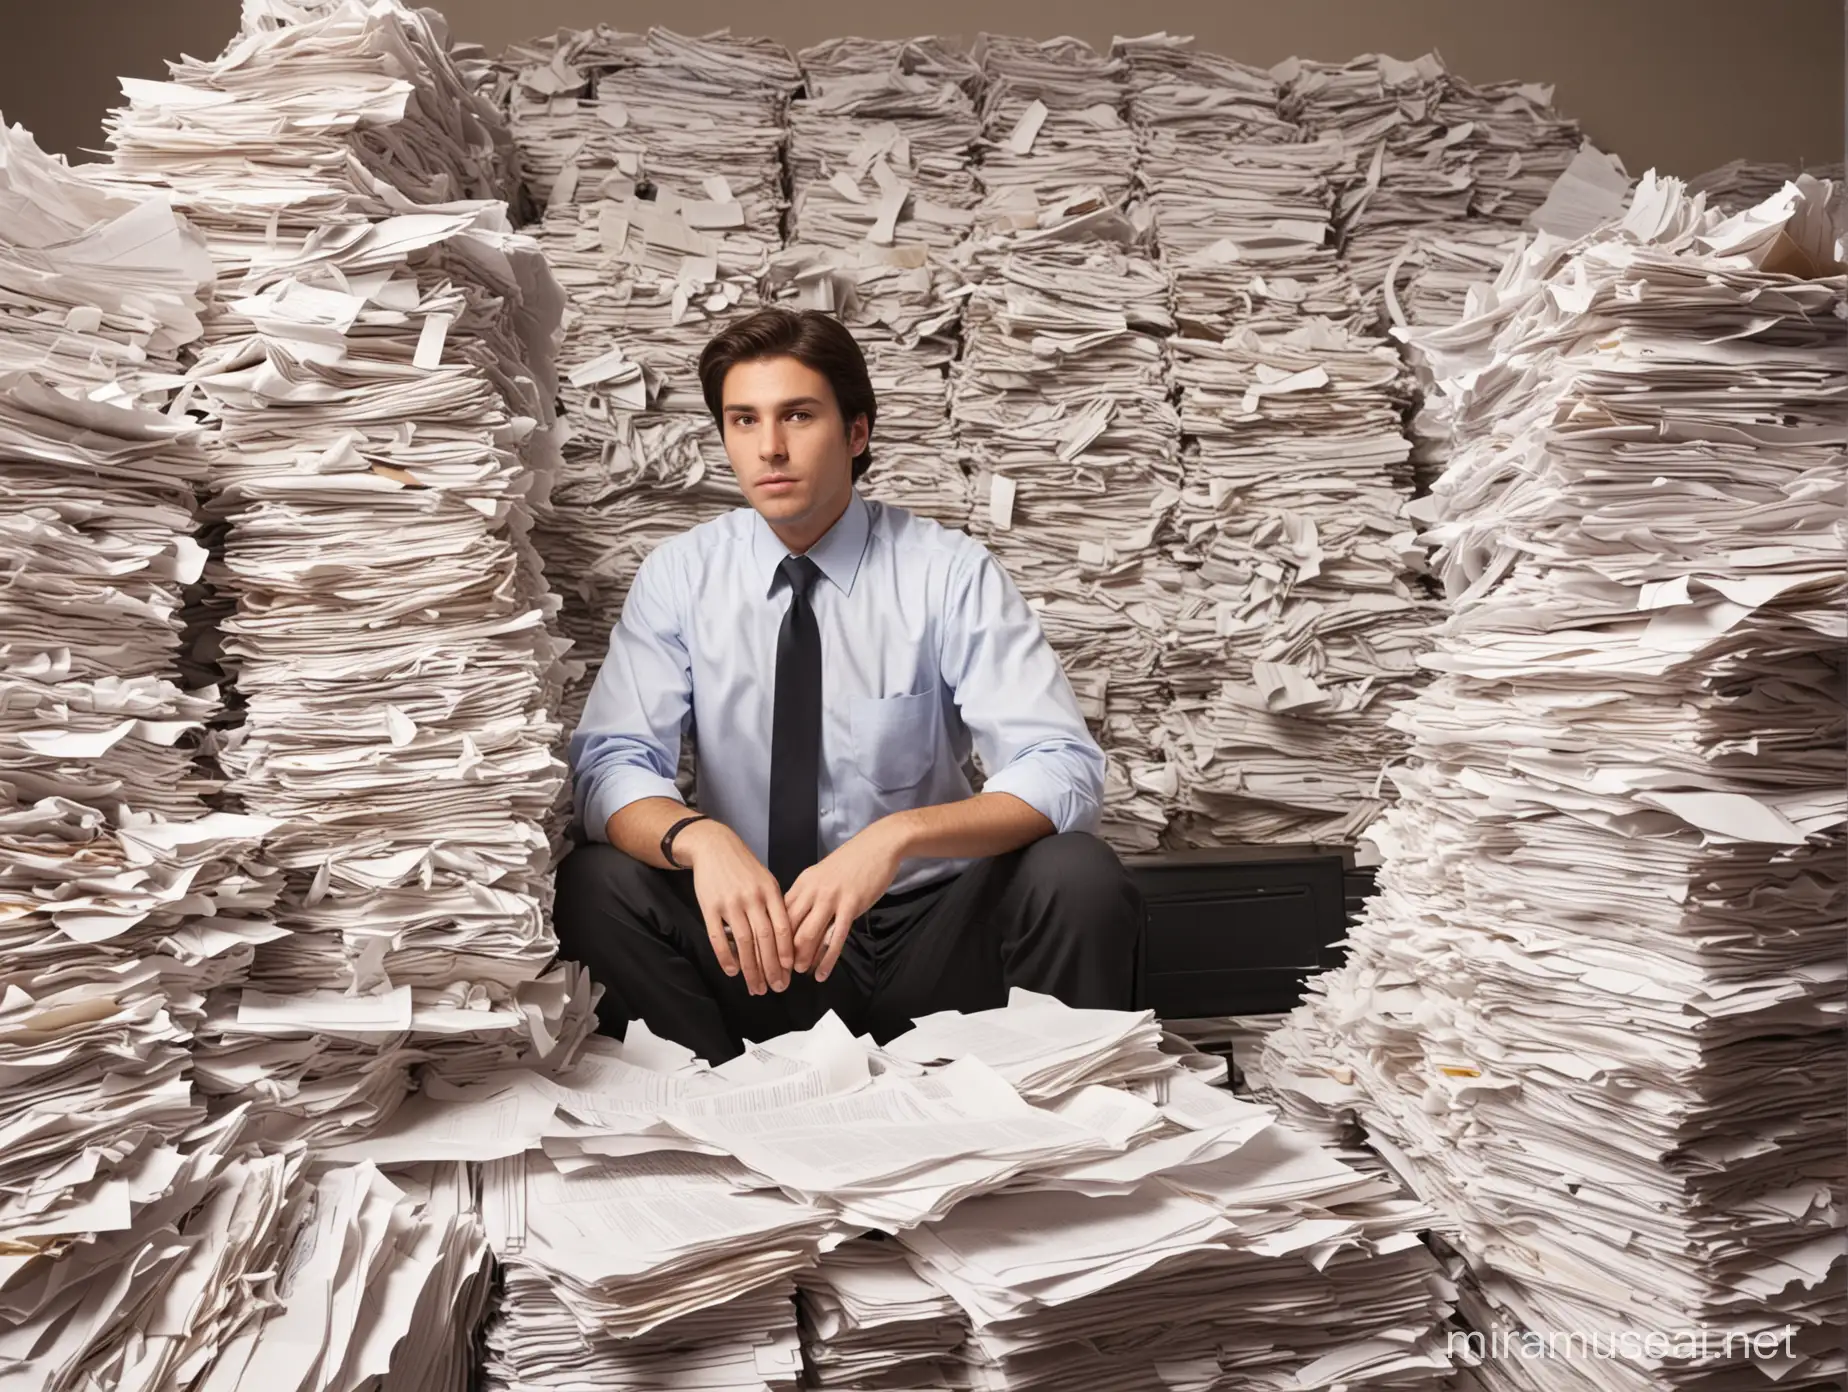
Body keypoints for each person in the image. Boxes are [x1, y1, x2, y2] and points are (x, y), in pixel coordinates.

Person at [554, 307, 1144, 1063]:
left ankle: (1042, 1118)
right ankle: (720, 1115)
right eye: (743, 421)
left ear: (855, 433)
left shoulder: (947, 572)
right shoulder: (681, 576)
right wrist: (700, 841)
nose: (769, 447)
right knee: (595, 883)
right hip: (758, 943)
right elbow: (610, 764)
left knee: (1078, 875)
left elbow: (1062, 768)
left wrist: (895, 839)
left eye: (797, 415)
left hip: (929, 937)